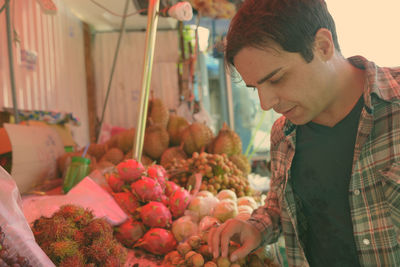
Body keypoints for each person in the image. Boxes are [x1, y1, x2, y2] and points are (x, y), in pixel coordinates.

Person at [208, 0, 400, 266]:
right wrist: (257, 227)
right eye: (255, 88)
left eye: (276, 79)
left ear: (322, 46)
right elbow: (280, 205)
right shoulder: (283, 135)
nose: (266, 104)